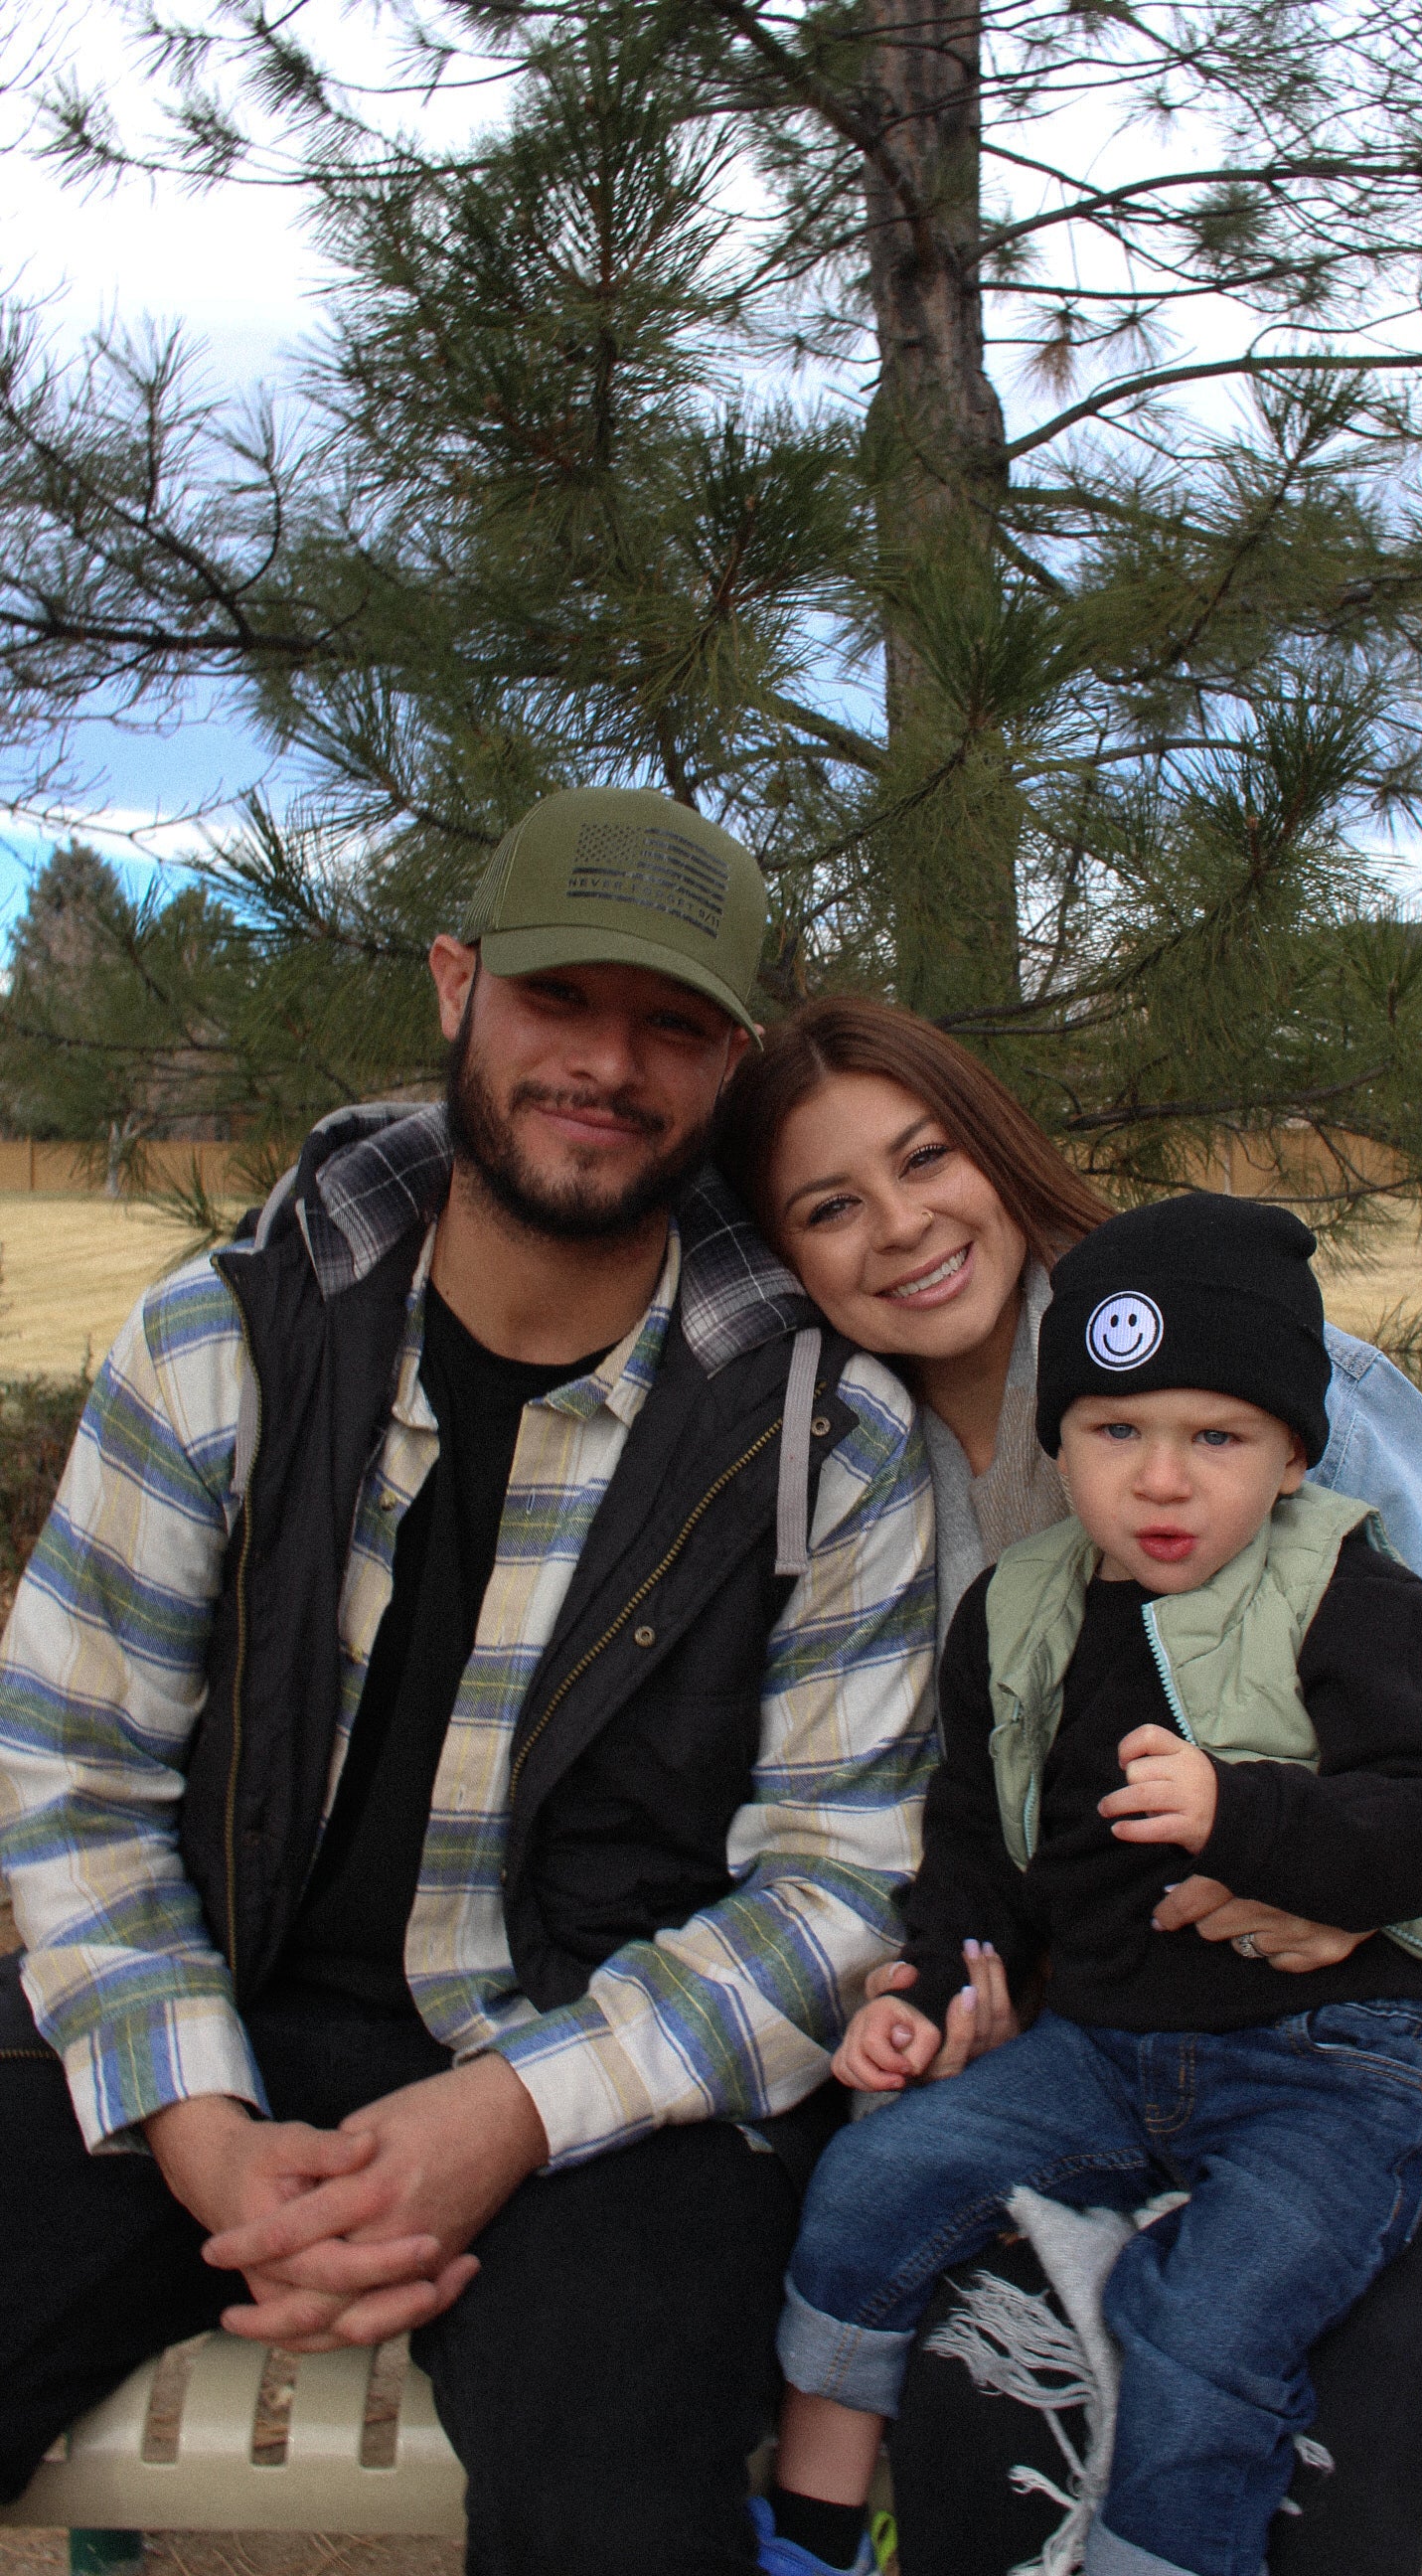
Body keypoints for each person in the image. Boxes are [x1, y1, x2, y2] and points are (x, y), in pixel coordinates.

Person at [0, 790, 938, 2576]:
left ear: (730, 1066)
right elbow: (73, 1781)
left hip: (608, 2069)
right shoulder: (224, 1342)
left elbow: (835, 1888)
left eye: (670, 1024)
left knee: (616, 2510)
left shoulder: (823, 1436)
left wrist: (506, 2111)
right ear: (457, 986)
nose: (606, 1064)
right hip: (222, 1998)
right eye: (557, 998)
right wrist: (204, 2136)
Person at [718, 998, 1422, 2576]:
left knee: (1308, 2493)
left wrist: (1361, 1887)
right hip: (1104, 2062)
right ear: (785, 1254)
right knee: (984, 2441)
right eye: (830, 1204)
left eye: (924, 1159)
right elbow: (950, 1813)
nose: (901, 1225)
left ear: (995, 1150)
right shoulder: (844, 1469)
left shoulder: (1236, 1351)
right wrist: (965, 1975)